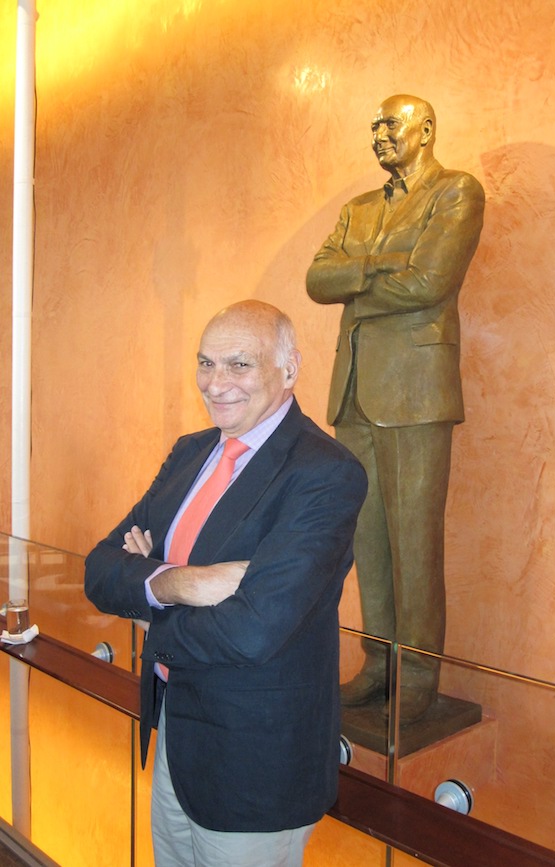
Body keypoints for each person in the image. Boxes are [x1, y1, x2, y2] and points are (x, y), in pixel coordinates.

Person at [84, 300, 367, 867]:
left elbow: (252, 632)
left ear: (289, 370)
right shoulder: (192, 453)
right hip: (173, 734)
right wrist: (182, 584)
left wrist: (144, 604)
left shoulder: (325, 472)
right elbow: (99, 568)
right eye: (206, 363)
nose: (216, 384)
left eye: (239, 365)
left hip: (255, 764)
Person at [306, 94, 485, 724]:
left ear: (426, 129)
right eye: (374, 122)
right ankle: (379, 664)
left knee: (414, 540)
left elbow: (429, 281)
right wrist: (382, 265)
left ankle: (418, 677)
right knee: (369, 539)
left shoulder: (456, 192)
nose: (377, 131)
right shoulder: (358, 210)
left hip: (415, 393)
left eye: (391, 122)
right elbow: (317, 280)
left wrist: (359, 283)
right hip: (353, 392)